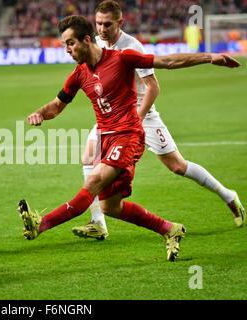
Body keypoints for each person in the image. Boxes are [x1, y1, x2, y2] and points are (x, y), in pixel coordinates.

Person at [18, 15, 240, 261]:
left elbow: (168, 61)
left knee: (94, 182)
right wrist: (40, 113)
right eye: (64, 44)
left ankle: (42, 224)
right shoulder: (79, 74)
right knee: (110, 206)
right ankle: (169, 229)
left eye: (70, 43)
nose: (67, 50)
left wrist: (209, 57)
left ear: (86, 40)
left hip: (128, 135)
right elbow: (57, 106)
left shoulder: (122, 58)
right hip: (107, 138)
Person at [72, 0, 245, 241]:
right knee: (89, 156)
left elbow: (153, 87)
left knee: (177, 166)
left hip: (142, 113)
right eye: (98, 23)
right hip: (114, 116)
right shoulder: (98, 43)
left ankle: (228, 195)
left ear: (120, 22)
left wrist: (136, 119)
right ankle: (97, 223)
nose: (101, 29)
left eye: (107, 24)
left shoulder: (132, 46)